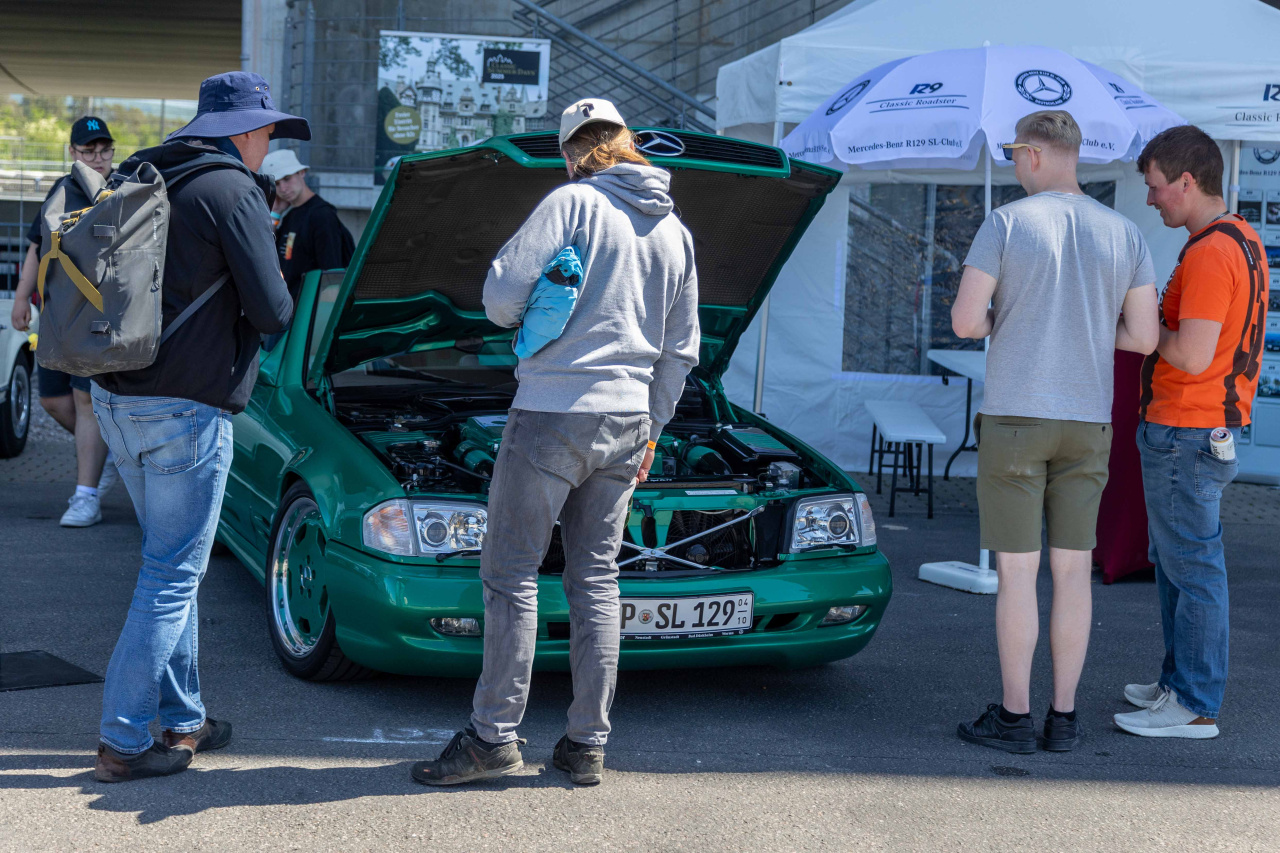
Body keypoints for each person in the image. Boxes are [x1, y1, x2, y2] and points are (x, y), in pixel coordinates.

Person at [411, 98, 700, 787]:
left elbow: (500, 298)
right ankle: (585, 744)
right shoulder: (675, 230)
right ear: (627, 142)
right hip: (628, 420)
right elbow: (682, 349)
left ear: (571, 153)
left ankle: (492, 737)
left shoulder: (573, 202)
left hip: (553, 412)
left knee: (511, 573)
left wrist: (534, 308)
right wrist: (653, 429)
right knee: (596, 578)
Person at [89, 71, 304, 783]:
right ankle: (122, 741)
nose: (270, 144)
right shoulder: (232, 190)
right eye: (268, 131)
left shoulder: (140, 173)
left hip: (115, 397)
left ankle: (185, 720)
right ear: (245, 131)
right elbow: (273, 313)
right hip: (184, 409)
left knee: (168, 565)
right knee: (171, 574)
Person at [951, 109, 1160, 754]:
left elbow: (966, 322)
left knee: (1018, 575)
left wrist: (1009, 320)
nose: (1013, 163)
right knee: (1072, 574)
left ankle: (1014, 718)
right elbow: (1145, 337)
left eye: (1014, 152)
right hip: (1087, 422)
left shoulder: (1007, 222)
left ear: (1035, 153)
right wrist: (1090, 330)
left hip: (1017, 418)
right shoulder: (1124, 232)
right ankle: (1062, 719)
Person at [1114, 125, 1267, 739]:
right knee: (1182, 565)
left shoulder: (1209, 252)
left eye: (1155, 187)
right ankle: (1179, 685)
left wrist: (1134, 328)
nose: (1151, 199)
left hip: (1186, 430)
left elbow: (1193, 354)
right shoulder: (1241, 238)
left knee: (1193, 570)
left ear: (1186, 180)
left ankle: (1194, 702)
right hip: (1200, 430)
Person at [9, 116, 118, 527]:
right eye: (89, 151)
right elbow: (36, 248)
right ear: (72, 152)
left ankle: (85, 496)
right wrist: (22, 297)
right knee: (52, 400)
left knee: (85, 399)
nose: (98, 158)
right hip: (57, 316)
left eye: (104, 150)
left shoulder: (122, 189)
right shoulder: (61, 189)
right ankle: (108, 455)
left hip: (99, 318)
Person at [260, 148, 355, 302]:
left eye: (287, 178)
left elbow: (331, 274)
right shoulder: (289, 216)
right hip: (292, 306)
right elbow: (269, 256)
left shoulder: (322, 215)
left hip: (309, 308)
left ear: (302, 173)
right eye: (276, 183)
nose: (283, 188)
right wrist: (275, 213)